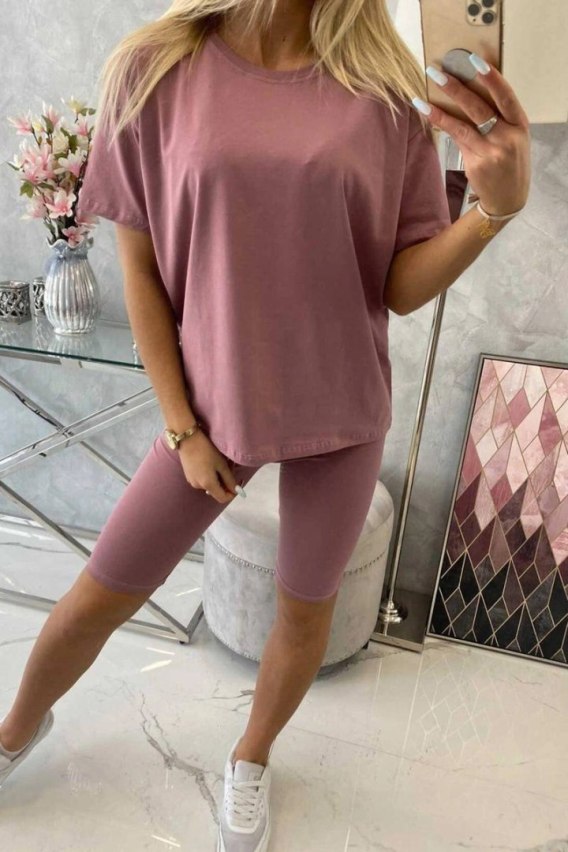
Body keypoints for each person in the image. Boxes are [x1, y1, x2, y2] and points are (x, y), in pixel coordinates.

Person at [0, 1, 530, 850]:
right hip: (211, 410)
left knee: (305, 614)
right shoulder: (155, 68)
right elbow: (140, 268)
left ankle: (251, 757)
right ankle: (16, 730)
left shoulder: (385, 90)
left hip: (340, 405)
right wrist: (183, 429)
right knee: (99, 595)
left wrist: (491, 213)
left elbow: (398, 288)